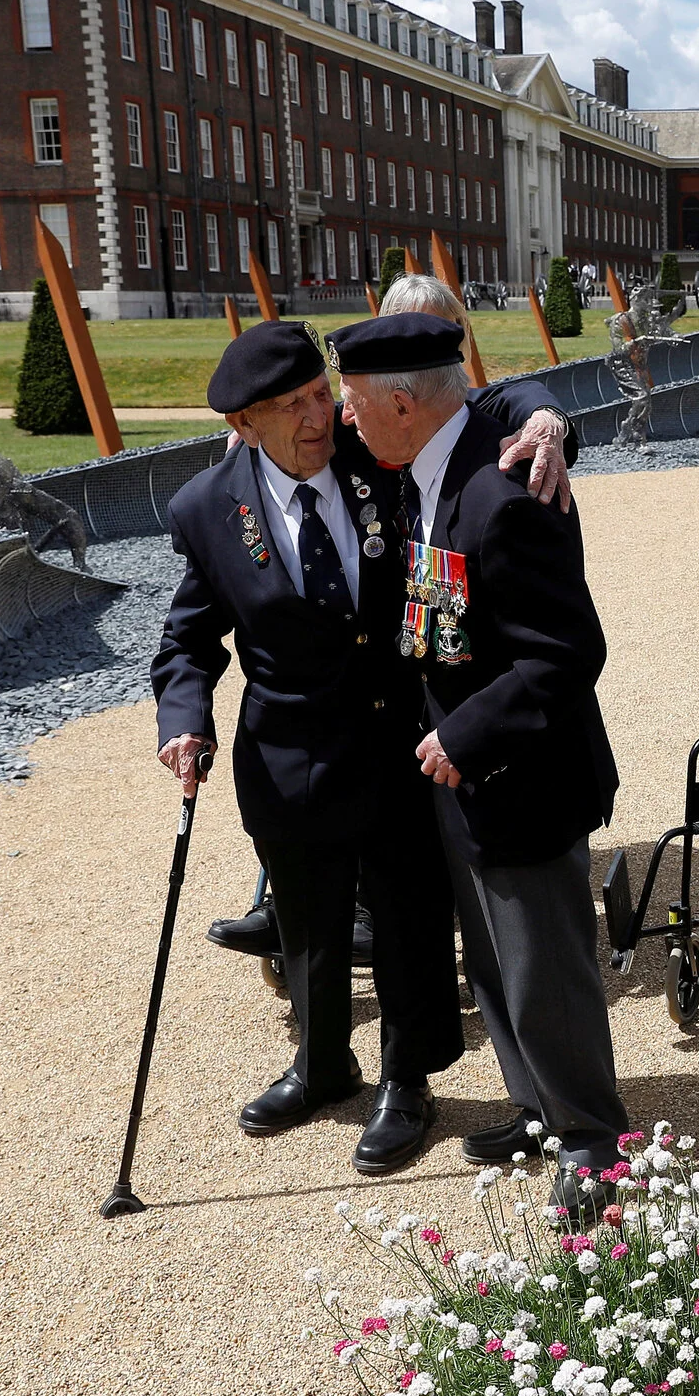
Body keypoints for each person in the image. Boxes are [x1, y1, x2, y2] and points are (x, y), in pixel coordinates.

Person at [328, 312, 630, 1222]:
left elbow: (568, 653)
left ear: (401, 403)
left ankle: (592, 1141)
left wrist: (467, 736)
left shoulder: (494, 497)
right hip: (464, 778)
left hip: (519, 777)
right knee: (496, 967)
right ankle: (537, 1106)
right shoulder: (432, 473)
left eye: (351, 400)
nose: (345, 418)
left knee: (546, 970)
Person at [203, 284, 574, 961]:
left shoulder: (466, 417)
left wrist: (550, 417)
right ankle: (294, 904)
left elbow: (516, 400)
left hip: (433, 641)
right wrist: (259, 439)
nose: (414, 350)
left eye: (430, 338)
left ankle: (383, 914)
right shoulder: (362, 415)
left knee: (418, 747)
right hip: (391, 628)